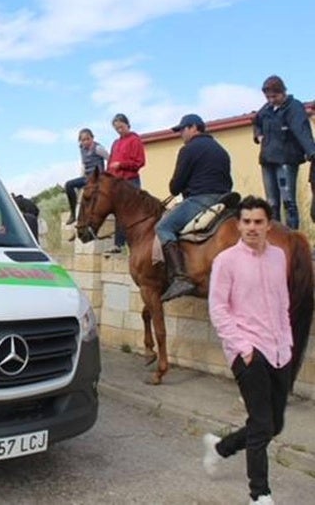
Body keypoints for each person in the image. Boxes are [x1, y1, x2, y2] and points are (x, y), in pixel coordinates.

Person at [204, 196, 291, 505]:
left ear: (268, 225)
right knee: (261, 422)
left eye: (258, 222)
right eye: (246, 222)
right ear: (238, 225)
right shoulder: (226, 261)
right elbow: (218, 309)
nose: (252, 227)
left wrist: (288, 341)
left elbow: (283, 303)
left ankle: (220, 448)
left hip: (280, 349)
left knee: (274, 424)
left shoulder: (279, 256)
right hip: (248, 351)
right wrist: (242, 347)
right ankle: (260, 494)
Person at [157, 114, 233, 302]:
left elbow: (175, 187)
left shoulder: (189, 149)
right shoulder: (221, 150)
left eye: (182, 129)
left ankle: (180, 278)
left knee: (163, 227)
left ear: (193, 127)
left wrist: (178, 187)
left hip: (201, 200)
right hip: (224, 200)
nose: (181, 134)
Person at [254, 75, 315, 230]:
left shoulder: (294, 107)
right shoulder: (266, 109)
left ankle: (292, 236)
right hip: (267, 159)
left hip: (286, 159)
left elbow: (301, 129)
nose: (271, 100)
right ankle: (275, 238)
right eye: (268, 97)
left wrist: (312, 152)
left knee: (288, 202)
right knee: (272, 203)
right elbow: (256, 121)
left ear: (282, 92)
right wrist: (258, 135)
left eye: (274, 96)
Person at [105, 113, 146, 254]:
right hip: (117, 182)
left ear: (127, 125)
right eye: (116, 128)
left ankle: (134, 244)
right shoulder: (115, 143)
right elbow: (110, 162)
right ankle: (119, 244)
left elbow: (140, 162)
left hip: (130, 180)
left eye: (121, 127)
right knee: (118, 212)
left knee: (131, 212)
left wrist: (121, 165)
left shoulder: (135, 140)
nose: (119, 130)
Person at [64, 128, 109, 225]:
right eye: (83, 140)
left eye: (88, 139)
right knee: (68, 185)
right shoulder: (82, 149)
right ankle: (73, 214)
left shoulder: (98, 148)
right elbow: (84, 165)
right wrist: (79, 183)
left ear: (92, 138)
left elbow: (110, 159)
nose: (86, 142)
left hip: (98, 178)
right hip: (87, 177)